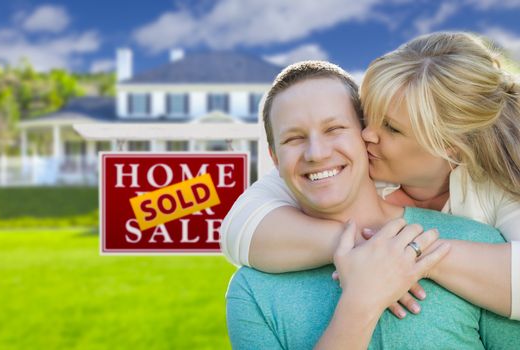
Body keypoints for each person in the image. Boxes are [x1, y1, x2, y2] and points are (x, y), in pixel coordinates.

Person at [221, 31, 520, 319]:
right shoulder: (354, 162)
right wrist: (366, 247)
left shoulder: (497, 185)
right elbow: (240, 229)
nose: (366, 133)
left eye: (391, 128)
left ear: (450, 148)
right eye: (369, 116)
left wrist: (407, 254)